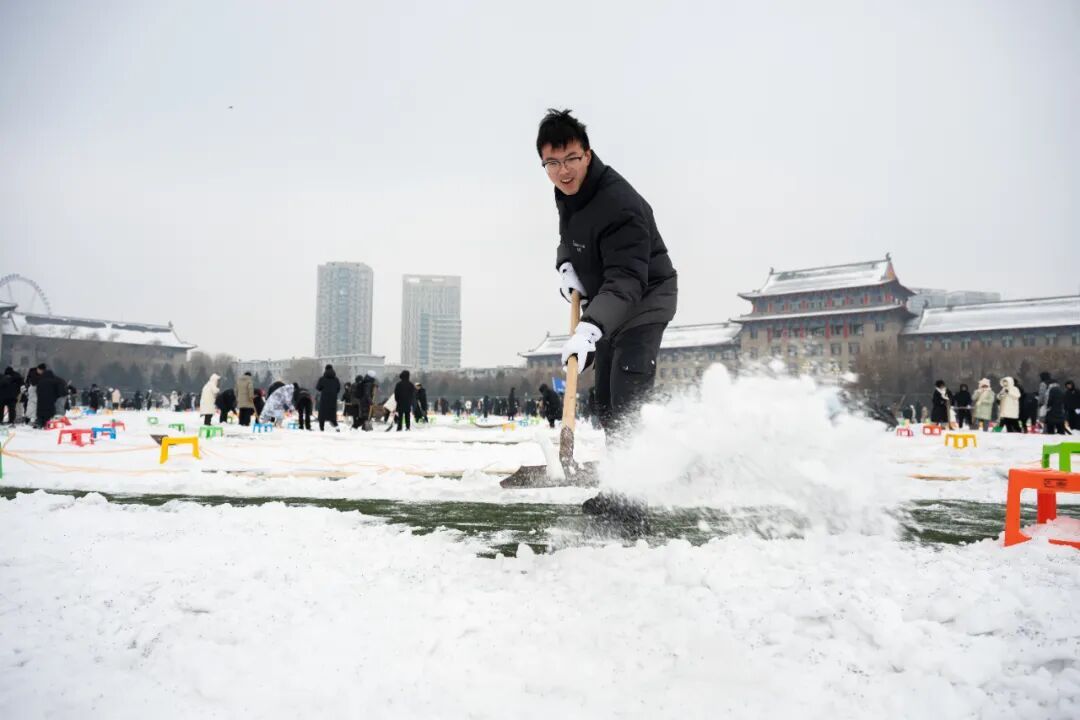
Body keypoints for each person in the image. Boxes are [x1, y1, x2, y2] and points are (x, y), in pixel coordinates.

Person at [538, 109, 677, 437]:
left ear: (587, 155)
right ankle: (622, 478)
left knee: (626, 396)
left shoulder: (619, 204)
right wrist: (566, 265)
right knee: (604, 401)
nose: (563, 170)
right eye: (552, 163)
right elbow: (569, 238)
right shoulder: (569, 193)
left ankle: (636, 485)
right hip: (608, 305)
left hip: (643, 300)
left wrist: (589, 328)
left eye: (571, 158)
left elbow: (628, 278)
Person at [315, 364, 341, 432]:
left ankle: (321, 428)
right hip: (333, 399)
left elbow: (318, 388)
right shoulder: (336, 379)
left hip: (324, 399)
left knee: (322, 415)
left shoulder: (322, 379)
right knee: (332, 414)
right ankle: (337, 427)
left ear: (325, 369)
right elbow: (338, 389)